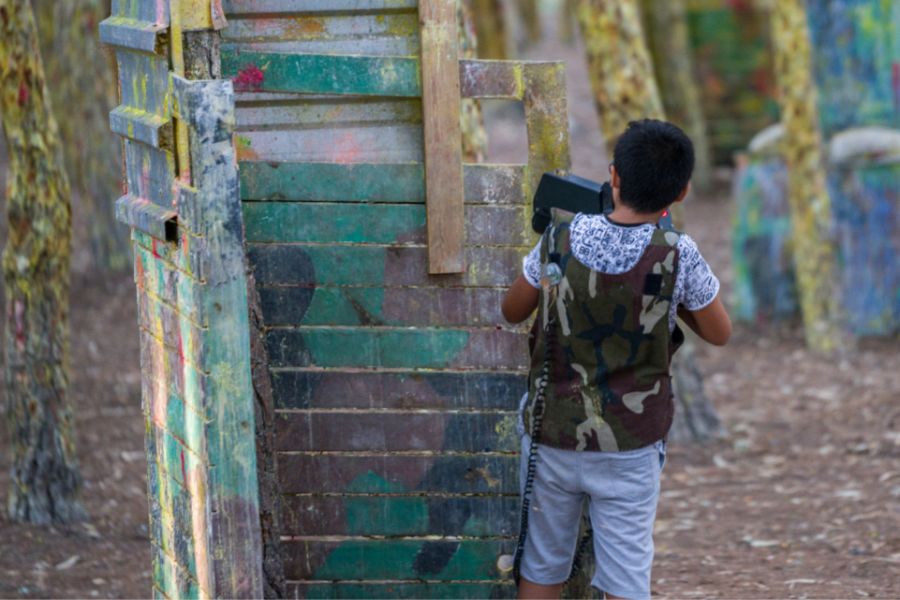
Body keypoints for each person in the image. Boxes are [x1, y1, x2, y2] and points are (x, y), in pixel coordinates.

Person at [501, 119, 731, 600]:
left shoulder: (559, 238)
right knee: (625, 578)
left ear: (614, 177)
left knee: (542, 567)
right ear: (683, 191)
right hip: (630, 445)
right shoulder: (678, 254)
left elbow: (512, 308)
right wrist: (669, 301)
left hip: (553, 435)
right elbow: (719, 332)